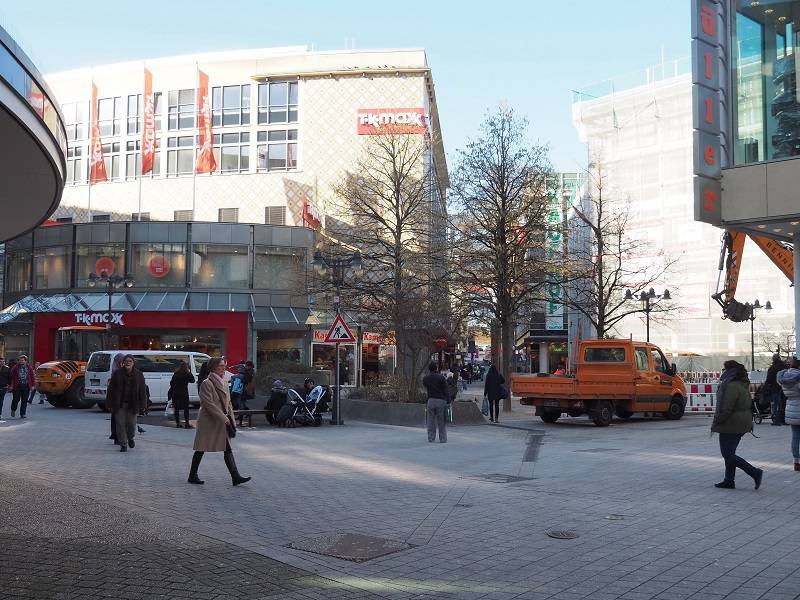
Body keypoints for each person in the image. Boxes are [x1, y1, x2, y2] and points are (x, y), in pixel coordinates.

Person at [188, 357, 251, 486]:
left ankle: (235, 476)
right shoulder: (207, 383)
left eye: (224, 365)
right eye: (221, 366)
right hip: (209, 421)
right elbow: (208, 404)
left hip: (221, 421)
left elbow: (228, 404)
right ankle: (192, 475)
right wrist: (225, 419)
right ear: (213, 368)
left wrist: (231, 420)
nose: (224, 368)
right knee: (201, 448)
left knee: (227, 448)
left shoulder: (224, 381)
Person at [711, 360, 763, 490]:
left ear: (729, 371)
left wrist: (717, 420)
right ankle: (729, 480)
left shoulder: (730, 386)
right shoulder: (742, 383)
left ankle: (755, 472)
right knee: (730, 453)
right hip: (741, 423)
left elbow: (726, 408)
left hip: (731, 424)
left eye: (724, 369)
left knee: (728, 454)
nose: (723, 372)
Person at [106, 355, 148, 452]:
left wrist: (143, 405)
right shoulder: (117, 374)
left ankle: (130, 438)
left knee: (131, 424)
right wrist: (109, 403)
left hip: (133, 405)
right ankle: (123, 444)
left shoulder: (139, 375)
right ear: (123, 363)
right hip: (119, 404)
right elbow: (111, 389)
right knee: (120, 424)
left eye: (130, 361)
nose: (128, 363)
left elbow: (142, 391)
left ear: (133, 363)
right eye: (126, 361)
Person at [776, 357, 800, 472]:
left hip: (790, 407)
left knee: (795, 436)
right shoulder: (798, 378)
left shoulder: (784, 376)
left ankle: (796, 462)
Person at [423, 362, 450, 443]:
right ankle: (443, 439)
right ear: (436, 368)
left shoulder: (426, 378)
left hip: (430, 400)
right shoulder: (441, 378)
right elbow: (446, 390)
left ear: (429, 369)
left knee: (430, 421)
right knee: (441, 421)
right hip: (441, 401)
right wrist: (448, 400)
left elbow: (425, 386)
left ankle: (431, 438)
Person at [169, 361, 196, 428]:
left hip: (175, 393)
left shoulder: (176, 374)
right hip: (184, 393)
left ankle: (178, 423)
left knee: (176, 409)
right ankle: (187, 423)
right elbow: (193, 380)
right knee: (186, 409)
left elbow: (171, 383)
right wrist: (189, 372)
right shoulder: (186, 374)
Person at [764, 354, 787, 425]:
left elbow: (768, 379)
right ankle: (784, 420)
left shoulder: (772, 368)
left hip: (775, 388)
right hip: (784, 388)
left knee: (776, 404)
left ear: (773, 359)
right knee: (784, 404)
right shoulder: (784, 367)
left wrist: (764, 387)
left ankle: (777, 420)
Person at [10, 355, 34, 419]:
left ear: (25, 361)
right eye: (20, 360)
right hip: (17, 386)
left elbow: (32, 376)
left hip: (26, 386)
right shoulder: (15, 367)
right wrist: (11, 385)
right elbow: (11, 377)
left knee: (24, 400)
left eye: (22, 360)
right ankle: (13, 409)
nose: (21, 361)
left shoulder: (29, 367)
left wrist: (33, 385)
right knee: (16, 399)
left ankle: (23, 414)